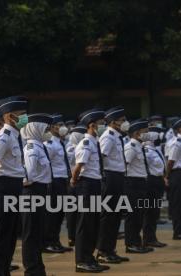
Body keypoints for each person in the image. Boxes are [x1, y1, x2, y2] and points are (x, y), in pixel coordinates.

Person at [0, 95, 28, 276]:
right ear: (9, 117)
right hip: (2, 188)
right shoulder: (4, 136)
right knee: (0, 236)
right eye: (21, 114)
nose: (25, 118)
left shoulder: (16, 135)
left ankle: (3, 270)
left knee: (10, 236)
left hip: (14, 186)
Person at [70, 108, 109, 273]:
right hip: (86, 185)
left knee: (92, 224)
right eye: (101, 124)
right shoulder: (85, 143)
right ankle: (81, 261)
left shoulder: (94, 141)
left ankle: (89, 257)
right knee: (85, 224)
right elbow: (78, 167)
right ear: (92, 125)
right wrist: (74, 180)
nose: (104, 127)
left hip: (94, 184)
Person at [96, 106, 130, 263]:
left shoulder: (117, 136)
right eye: (122, 121)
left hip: (118, 177)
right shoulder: (108, 137)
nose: (125, 123)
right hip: (110, 177)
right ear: (113, 122)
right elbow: (101, 158)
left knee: (116, 216)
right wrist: (103, 178)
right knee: (108, 216)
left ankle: (111, 249)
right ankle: (103, 251)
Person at [21, 113, 53, 276]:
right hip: (33, 192)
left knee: (37, 232)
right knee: (30, 233)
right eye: (46, 128)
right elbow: (28, 174)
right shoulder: (32, 147)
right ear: (37, 129)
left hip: (39, 191)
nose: (49, 131)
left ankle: (38, 269)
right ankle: (32, 270)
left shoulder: (40, 146)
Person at [43, 114, 72, 253]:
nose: (63, 128)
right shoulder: (50, 143)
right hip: (54, 181)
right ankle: (48, 242)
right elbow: (45, 163)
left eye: (63, 125)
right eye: (59, 125)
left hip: (62, 180)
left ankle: (56, 241)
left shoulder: (60, 142)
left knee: (60, 213)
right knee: (53, 213)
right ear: (52, 127)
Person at [123, 119, 153, 254]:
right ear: (137, 133)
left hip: (140, 183)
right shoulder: (131, 146)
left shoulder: (139, 146)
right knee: (133, 215)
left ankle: (137, 242)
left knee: (139, 215)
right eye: (145, 132)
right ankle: (131, 244)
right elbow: (125, 165)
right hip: (133, 183)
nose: (147, 134)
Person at [142, 127, 167, 247]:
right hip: (150, 182)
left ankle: (152, 237)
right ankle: (148, 238)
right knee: (150, 211)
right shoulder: (146, 151)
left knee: (155, 212)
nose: (159, 138)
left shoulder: (155, 150)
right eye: (156, 136)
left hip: (158, 181)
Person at [66, 124, 86, 247]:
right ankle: (72, 236)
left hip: (78, 179)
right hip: (73, 180)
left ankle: (76, 236)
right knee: (72, 211)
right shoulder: (71, 148)